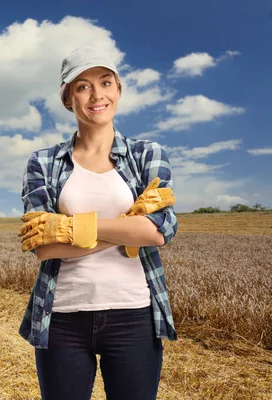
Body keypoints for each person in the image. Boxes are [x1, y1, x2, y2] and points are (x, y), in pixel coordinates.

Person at [17, 46, 178, 400]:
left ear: (118, 89)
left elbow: (157, 231)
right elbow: (44, 247)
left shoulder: (146, 154)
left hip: (133, 315)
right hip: (61, 318)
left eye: (105, 82)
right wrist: (128, 225)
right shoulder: (43, 162)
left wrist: (72, 227)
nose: (96, 94)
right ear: (67, 99)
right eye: (82, 86)